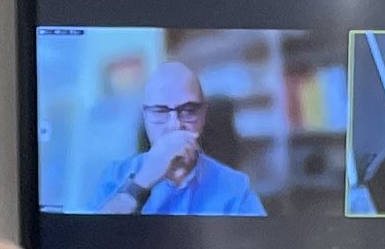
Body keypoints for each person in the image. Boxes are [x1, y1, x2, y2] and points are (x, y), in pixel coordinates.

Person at [94, 57, 265, 214]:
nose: (175, 125)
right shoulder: (116, 176)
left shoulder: (235, 186)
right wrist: (141, 182)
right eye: (160, 111)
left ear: (203, 115)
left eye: (188, 111)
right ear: (145, 116)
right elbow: (93, 236)